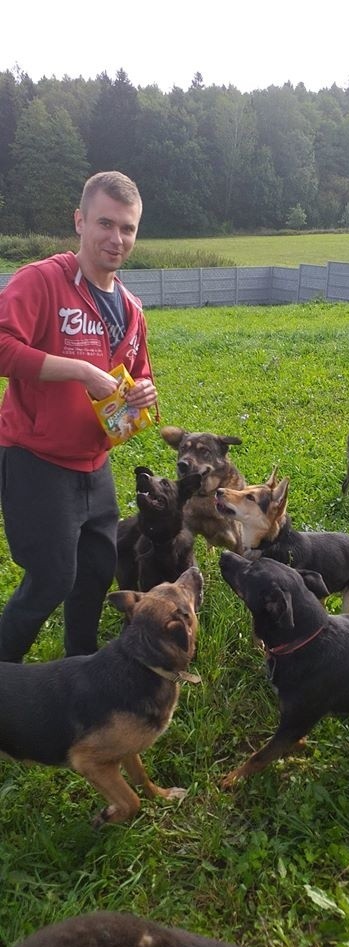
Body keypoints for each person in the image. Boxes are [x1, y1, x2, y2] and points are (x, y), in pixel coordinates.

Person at [0, 170, 157, 662]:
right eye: (105, 224)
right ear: (80, 221)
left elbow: (137, 373)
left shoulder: (131, 308)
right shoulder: (42, 281)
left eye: (127, 228)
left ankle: (79, 668)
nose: (116, 239)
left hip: (95, 464)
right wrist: (77, 371)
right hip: (36, 458)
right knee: (51, 579)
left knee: (94, 571)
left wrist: (144, 394)